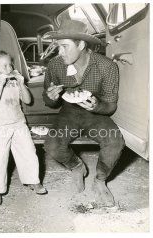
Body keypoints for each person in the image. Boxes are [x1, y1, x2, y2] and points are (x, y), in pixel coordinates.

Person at [42, 20, 125, 207]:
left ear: (80, 45)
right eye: (58, 47)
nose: (59, 52)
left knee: (115, 142)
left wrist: (96, 106)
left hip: (97, 114)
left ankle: (100, 181)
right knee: (52, 145)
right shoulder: (55, 66)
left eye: (64, 47)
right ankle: (77, 167)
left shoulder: (107, 66)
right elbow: (49, 103)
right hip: (69, 112)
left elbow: (111, 106)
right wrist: (51, 97)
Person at [0, 50, 47, 205]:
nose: (9, 68)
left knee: (29, 152)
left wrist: (21, 83)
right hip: (0, 126)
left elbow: (27, 100)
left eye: (10, 64)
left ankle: (33, 180)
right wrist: (0, 84)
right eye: (4, 65)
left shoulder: (14, 82)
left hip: (18, 123)